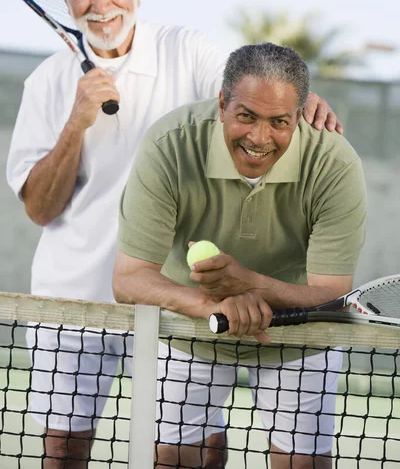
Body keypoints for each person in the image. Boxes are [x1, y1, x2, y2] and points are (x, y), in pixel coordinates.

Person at [6, 0, 342, 469]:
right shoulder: (47, 83)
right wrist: (78, 120)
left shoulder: (185, 47)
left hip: (172, 293)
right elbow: (40, 209)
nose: (101, 4)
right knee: (64, 449)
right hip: (72, 301)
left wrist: (301, 100)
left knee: (201, 446)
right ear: (65, 1)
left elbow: (247, 87)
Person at [113, 42, 367, 469]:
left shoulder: (334, 164)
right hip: (190, 327)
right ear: (222, 104)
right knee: (174, 459)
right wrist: (214, 303)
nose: (259, 137)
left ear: (299, 117)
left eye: (279, 122)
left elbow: (331, 297)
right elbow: (129, 279)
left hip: (301, 337)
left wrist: (248, 285)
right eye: (246, 115)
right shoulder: (169, 143)